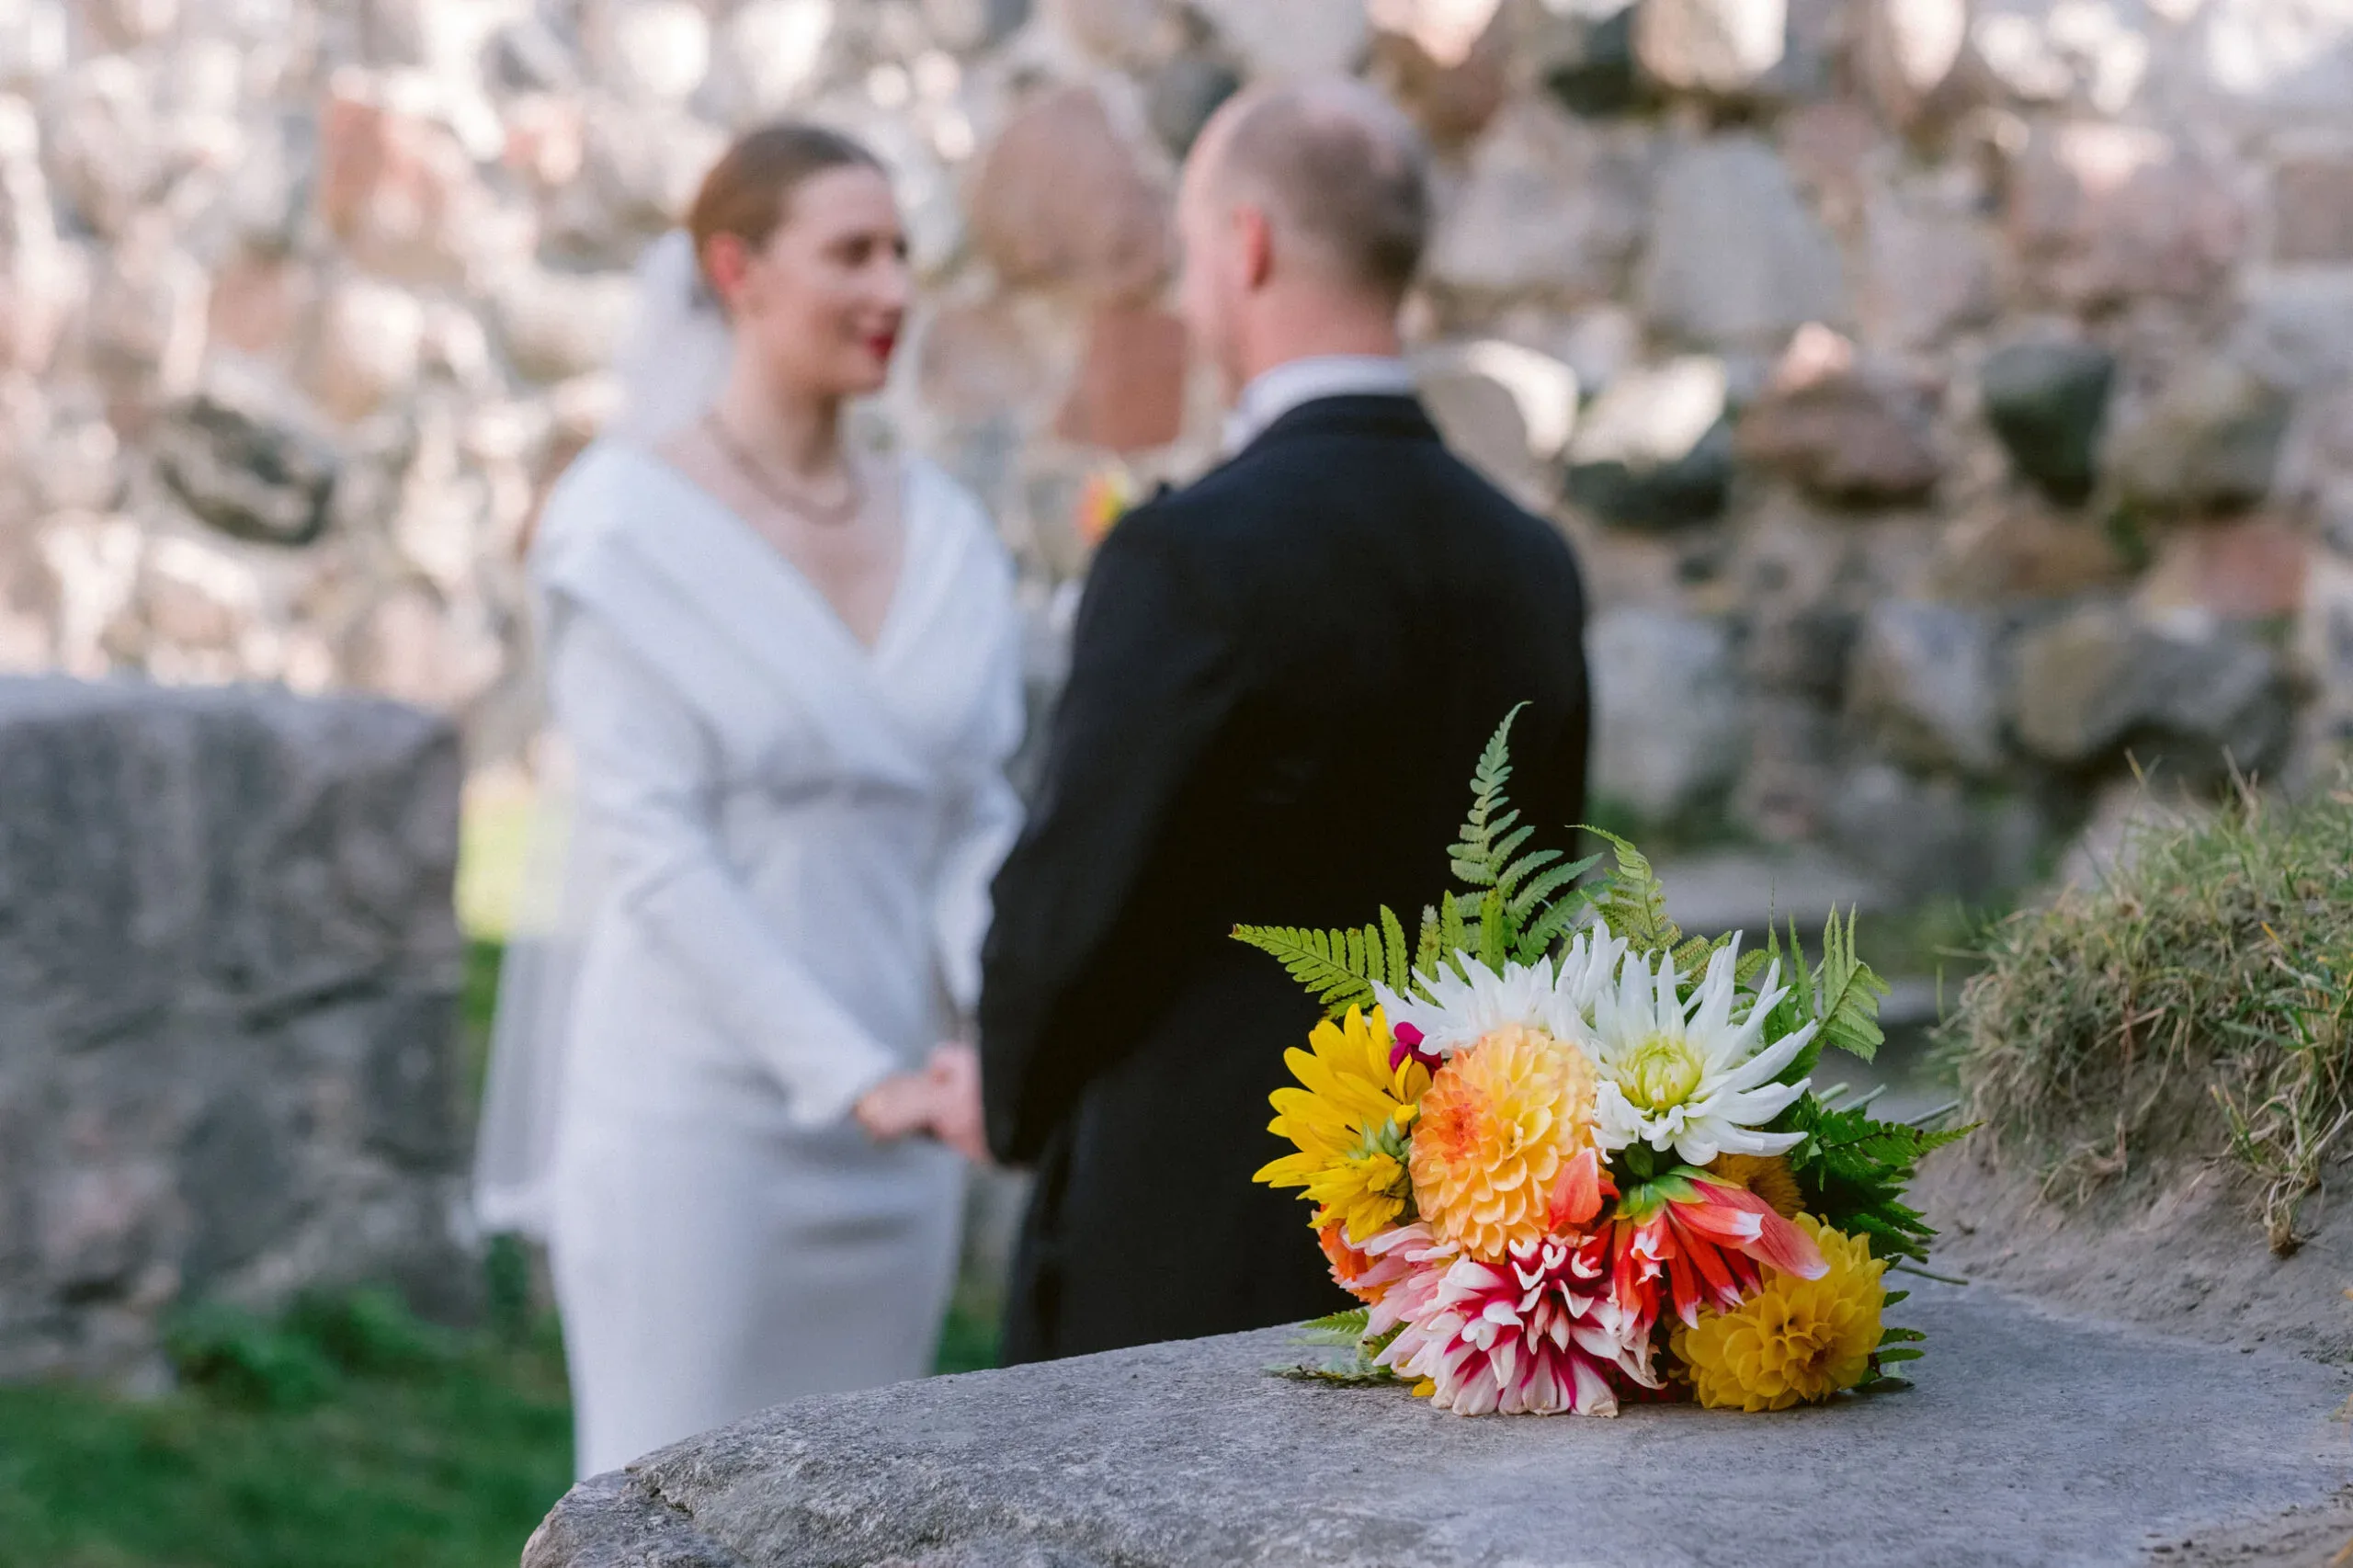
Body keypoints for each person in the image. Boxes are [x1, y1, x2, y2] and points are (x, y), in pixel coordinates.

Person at [974, 79, 1592, 1363]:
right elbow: (1533, 890)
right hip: (1468, 1227)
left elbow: (1072, 899)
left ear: (1244, 245)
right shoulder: (1530, 558)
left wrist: (1006, 1102)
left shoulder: (1187, 554)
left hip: (1194, 1220)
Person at [472, 123, 1020, 1478]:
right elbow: (655, 849)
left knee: (867, 1508)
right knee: (672, 1506)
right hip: (698, 1127)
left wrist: (984, 1024)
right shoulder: (621, 528)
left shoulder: (946, 530)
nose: (892, 288)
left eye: (901, 252)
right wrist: (852, 1078)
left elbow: (972, 815)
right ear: (737, 271)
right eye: (852, 253)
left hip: (907, 1131)